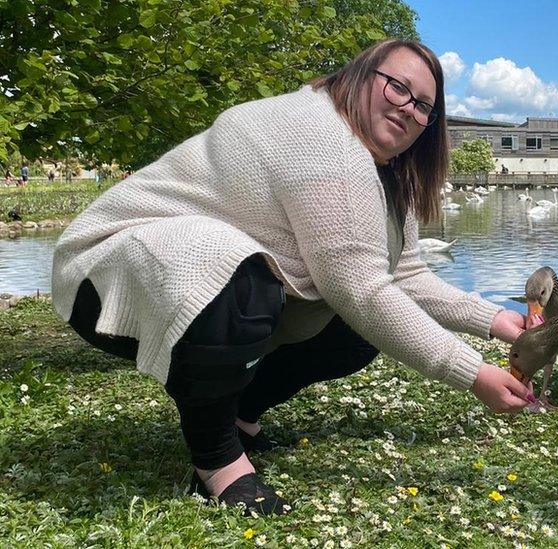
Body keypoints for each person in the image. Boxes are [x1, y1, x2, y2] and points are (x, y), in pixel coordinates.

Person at [52, 40, 531, 516]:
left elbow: (402, 273)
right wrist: (473, 373)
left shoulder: (380, 170)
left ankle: (236, 414)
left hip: (195, 283)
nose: (408, 109)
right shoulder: (320, 138)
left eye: (424, 105)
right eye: (397, 88)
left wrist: (496, 319)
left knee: (355, 333)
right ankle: (217, 460)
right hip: (106, 275)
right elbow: (359, 286)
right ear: (359, 76)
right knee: (236, 273)